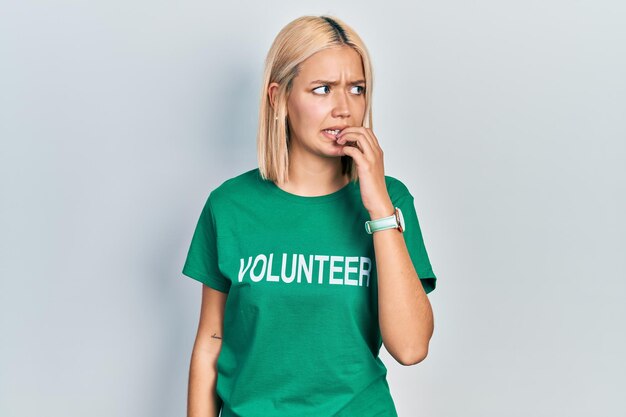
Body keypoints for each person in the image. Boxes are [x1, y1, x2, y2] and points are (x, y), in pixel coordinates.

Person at [182, 15, 438, 417]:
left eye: (357, 89)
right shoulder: (230, 206)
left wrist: (379, 207)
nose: (344, 109)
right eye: (322, 90)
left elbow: (410, 348)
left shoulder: (392, 200)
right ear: (278, 98)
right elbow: (212, 339)